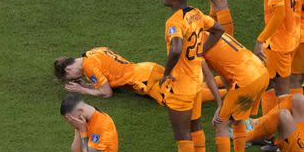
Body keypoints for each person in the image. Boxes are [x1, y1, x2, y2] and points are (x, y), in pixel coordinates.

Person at [159, 0, 223, 152]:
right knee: (196, 128)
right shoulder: (195, 13)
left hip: (181, 86)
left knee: (182, 134)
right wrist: (200, 52)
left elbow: (176, 49)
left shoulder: (174, 21)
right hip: (196, 82)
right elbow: (219, 29)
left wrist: (167, 72)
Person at [252, 0, 304, 150]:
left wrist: (260, 39)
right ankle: (266, 132)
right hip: (294, 36)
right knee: (269, 82)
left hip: (279, 41)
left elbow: (278, 14)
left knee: (281, 89)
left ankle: (281, 139)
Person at [201, 29, 269, 152]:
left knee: (220, 123)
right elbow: (225, 72)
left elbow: (209, 78)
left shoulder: (195, 45)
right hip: (261, 73)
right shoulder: (216, 34)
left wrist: (220, 105)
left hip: (246, 80)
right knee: (238, 119)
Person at [54, 47, 226, 104]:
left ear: (68, 70)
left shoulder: (88, 66)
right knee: (187, 87)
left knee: (184, 97)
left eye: (73, 78)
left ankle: (231, 93)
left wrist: (82, 91)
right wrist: (87, 85)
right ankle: (226, 81)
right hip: (145, 68)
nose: (79, 78)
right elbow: (110, 75)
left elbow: (107, 93)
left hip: (144, 80)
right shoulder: (92, 52)